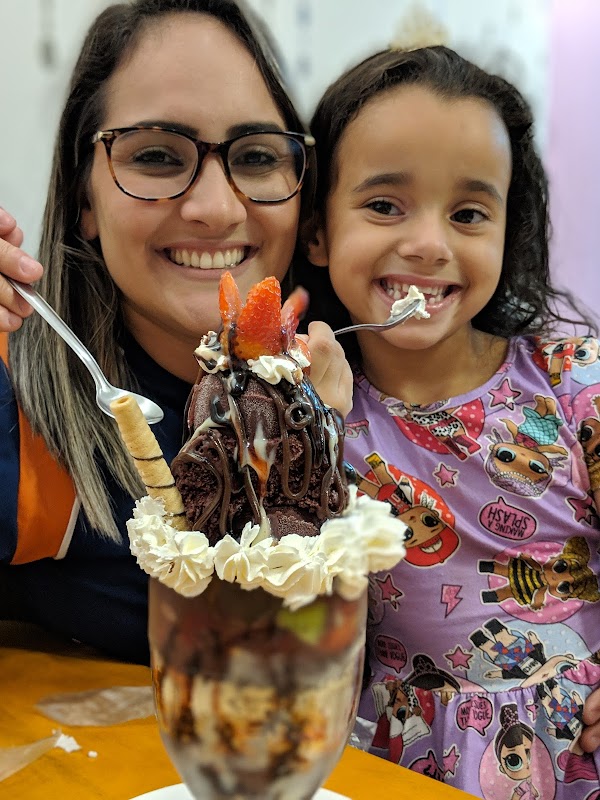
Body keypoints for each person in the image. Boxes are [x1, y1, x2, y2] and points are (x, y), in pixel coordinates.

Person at [0, 0, 351, 664]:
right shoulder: (20, 421)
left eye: (255, 157)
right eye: (158, 156)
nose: (216, 208)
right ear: (84, 200)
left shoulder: (365, 387)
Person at [302, 44, 600, 797]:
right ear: (317, 233)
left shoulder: (576, 384)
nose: (430, 244)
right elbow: (286, 606)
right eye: (383, 205)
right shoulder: (315, 410)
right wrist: (315, 420)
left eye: (468, 213)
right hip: (396, 768)